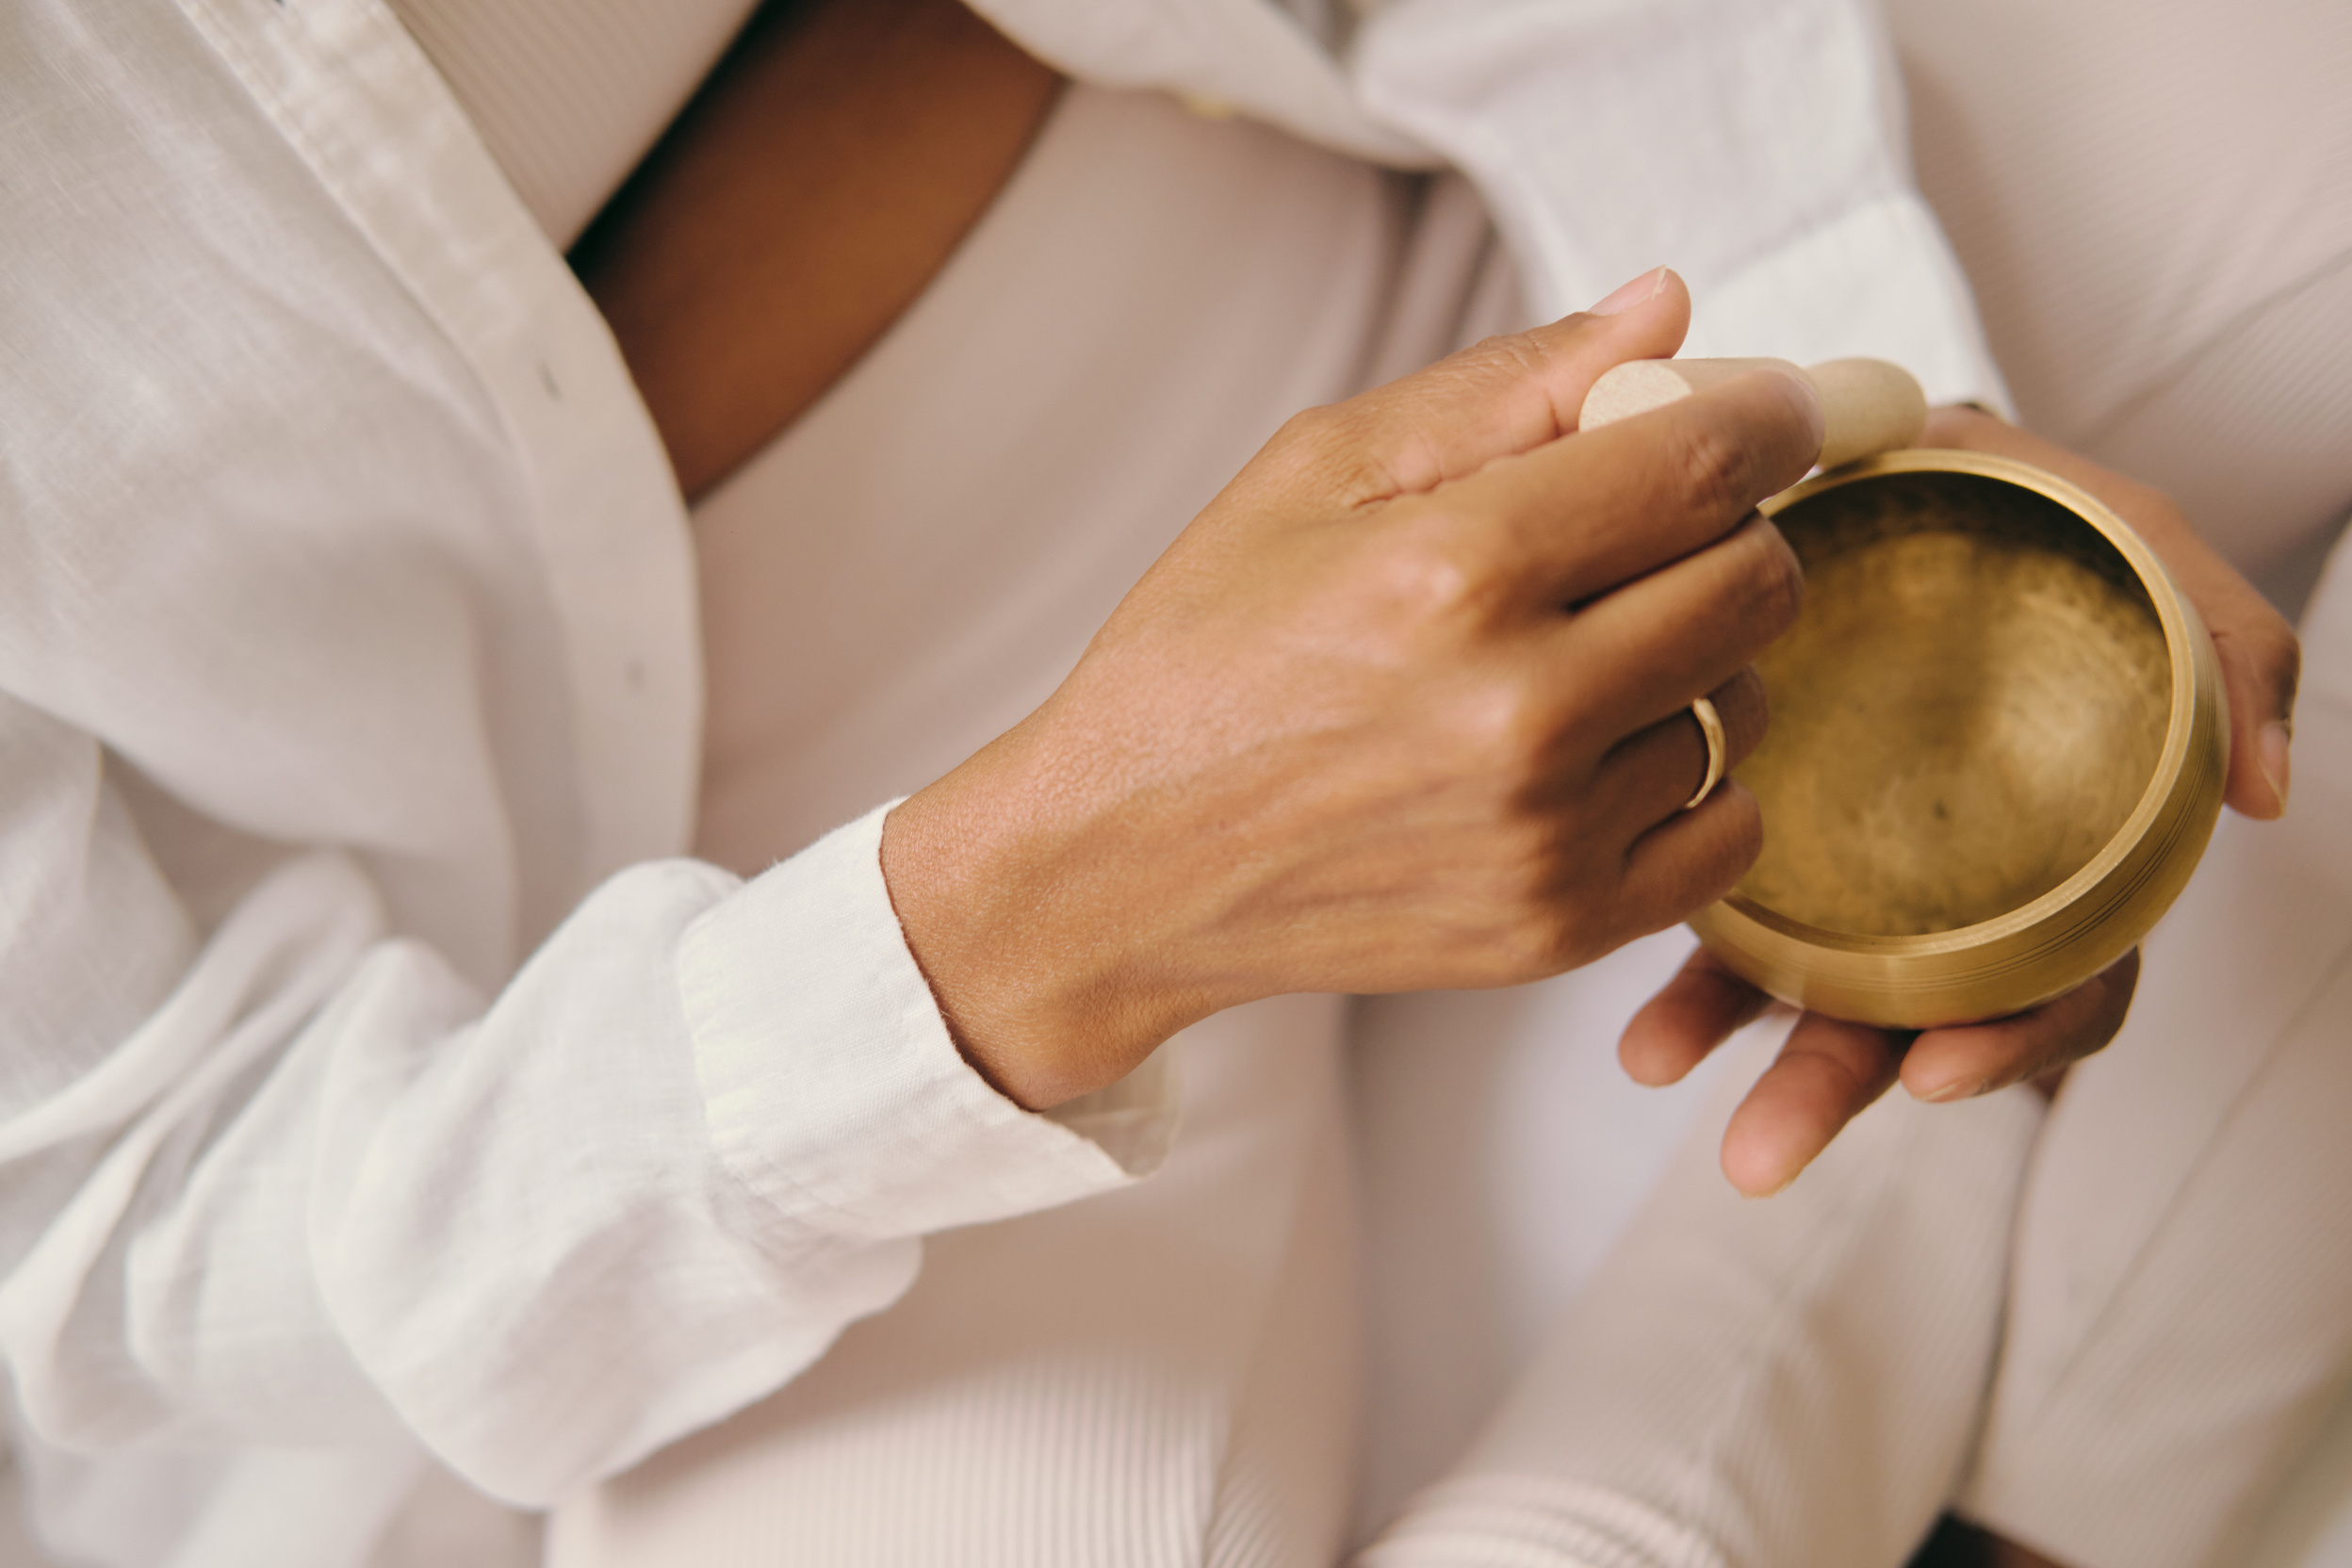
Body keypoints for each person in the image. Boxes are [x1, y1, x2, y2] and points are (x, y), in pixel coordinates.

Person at [0, 4, 2336, 1568]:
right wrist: (1036, 913)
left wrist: (1832, 336)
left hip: (1464, 264)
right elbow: (106, 1205)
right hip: (712, 939)